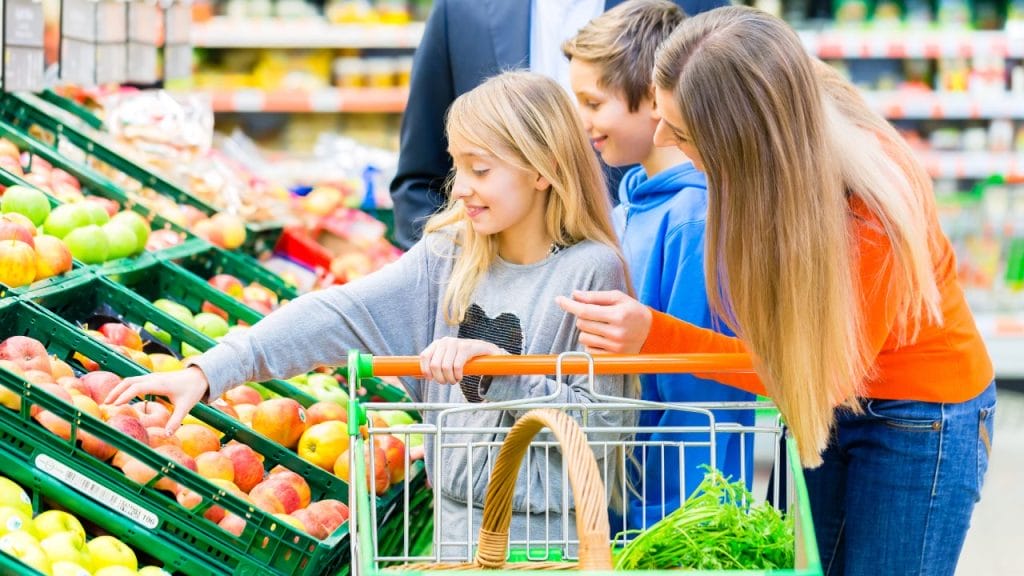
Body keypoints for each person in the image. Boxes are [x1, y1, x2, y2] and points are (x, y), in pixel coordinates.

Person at [106, 71, 632, 559]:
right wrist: (209, 372)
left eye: (481, 168)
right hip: (452, 544)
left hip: (552, 547)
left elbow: (603, 426)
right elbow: (338, 314)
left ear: (542, 169)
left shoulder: (590, 270)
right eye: (457, 165)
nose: (461, 185)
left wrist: (499, 373)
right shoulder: (450, 255)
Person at [556, 7, 995, 575]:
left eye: (683, 132)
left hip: (919, 418)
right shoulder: (789, 130)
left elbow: (817, 373)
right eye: (662, 118)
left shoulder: (869, 211)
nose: (662, 138)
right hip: (836, 406)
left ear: (743, 137)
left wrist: (655, 333)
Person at [562, 0, 754, 534]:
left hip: (680, 510)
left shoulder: (694, 217)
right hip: (628, 494)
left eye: (593, 102)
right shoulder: (633, 205)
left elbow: (702, 389)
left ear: (654, 98)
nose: (582, 122)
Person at [389, 0, 730, 249]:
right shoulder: (460, 11)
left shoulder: (692, 10)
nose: (581, 123)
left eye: (593, 104)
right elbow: (420, 177)